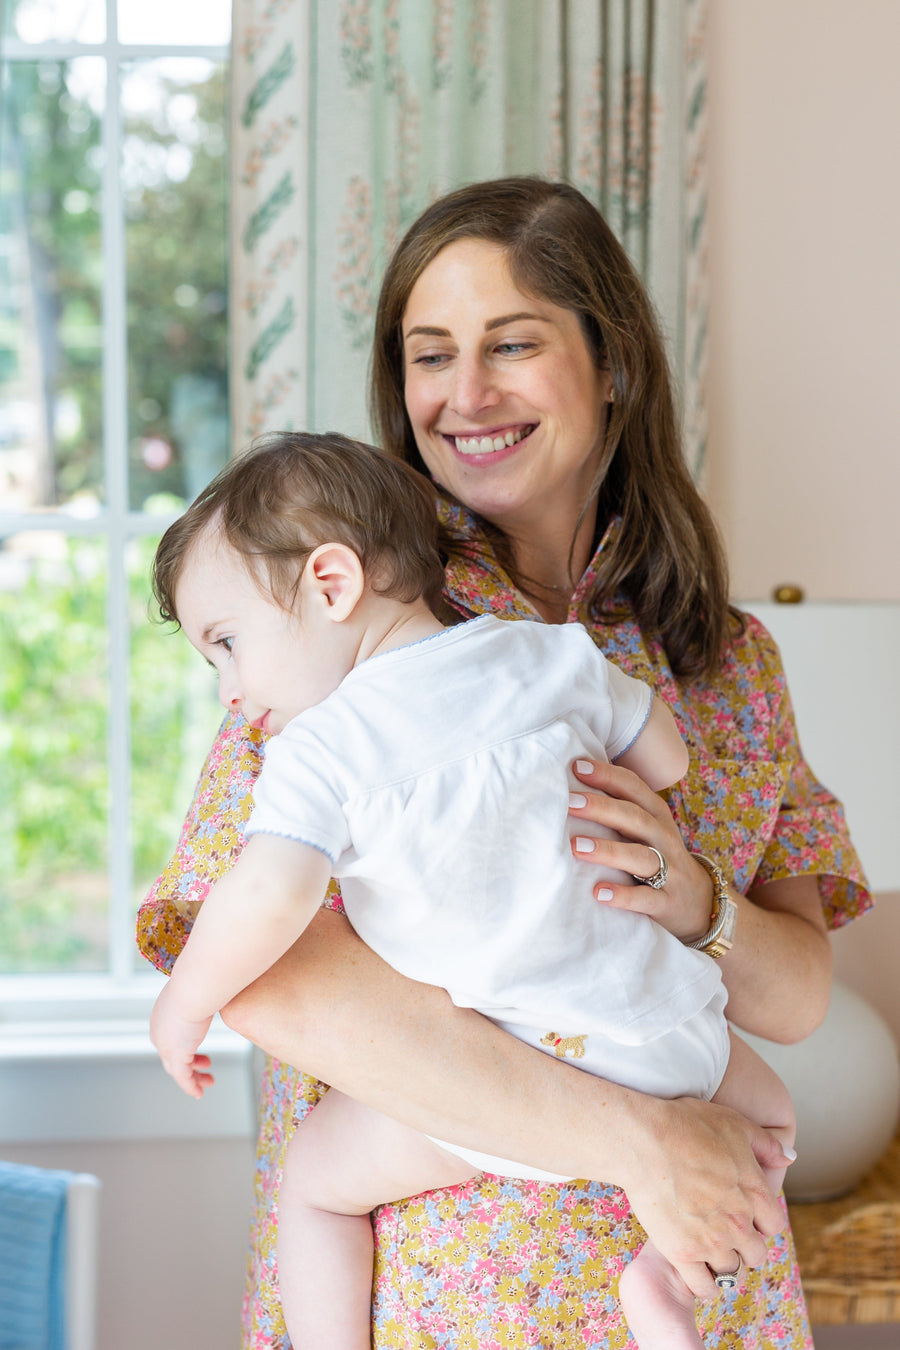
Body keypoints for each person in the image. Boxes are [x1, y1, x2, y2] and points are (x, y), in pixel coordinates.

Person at [137, 177, 870, 1350]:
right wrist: (640, 1138)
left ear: (614, 362)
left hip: (707, 1305)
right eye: (430, 356)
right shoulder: (343, 625)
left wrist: (699, 900)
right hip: (441, 1306)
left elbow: (797, 994)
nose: (465, 395)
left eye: (512, 345)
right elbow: (275, 979)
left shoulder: (724, 660)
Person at [148, 432, 796, 1350]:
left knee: (317, 1183)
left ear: (332, 585)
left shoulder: (317, 752)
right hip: (670, 1031)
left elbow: (265, 901)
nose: (227, 687)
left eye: (226, 644)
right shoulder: (549, 656)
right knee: (774, 1118)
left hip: (520, 1069)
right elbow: (668, 755)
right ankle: (663, 1283)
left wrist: (184, 1003)